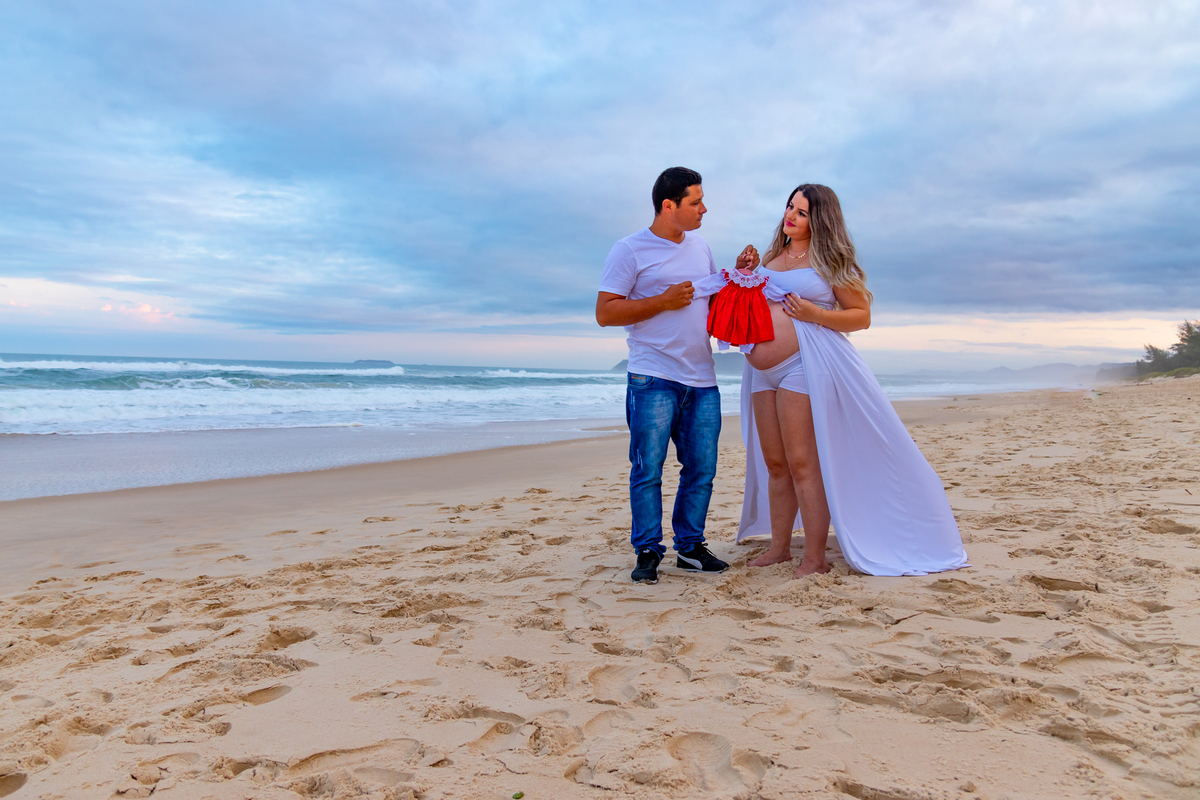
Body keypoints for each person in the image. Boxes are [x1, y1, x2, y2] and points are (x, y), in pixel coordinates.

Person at [692, 184, 969, 577]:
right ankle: (779, 548)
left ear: (819, 219)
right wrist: (744, 272)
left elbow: (861, 316)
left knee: (802, 462)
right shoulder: (772, 257)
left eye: (802, 212)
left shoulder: (831, 262)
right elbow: (751, 301)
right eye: (790, 207)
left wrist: (815, 314)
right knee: (775, 463)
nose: (791, 216)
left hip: (803, 365)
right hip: (761, 372)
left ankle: (815, 557)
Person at [596, 167, 754, 585]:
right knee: (648, 469)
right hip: (652, 376)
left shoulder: (701, 246)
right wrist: (661, 301)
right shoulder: (629, 250)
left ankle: (690, 548)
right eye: (695, 202)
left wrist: (737, 274)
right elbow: (605, 312)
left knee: (701, 469)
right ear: (669, 205)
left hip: (701, 378)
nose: (704, 209)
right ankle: (648, 550)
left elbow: (712, 298)